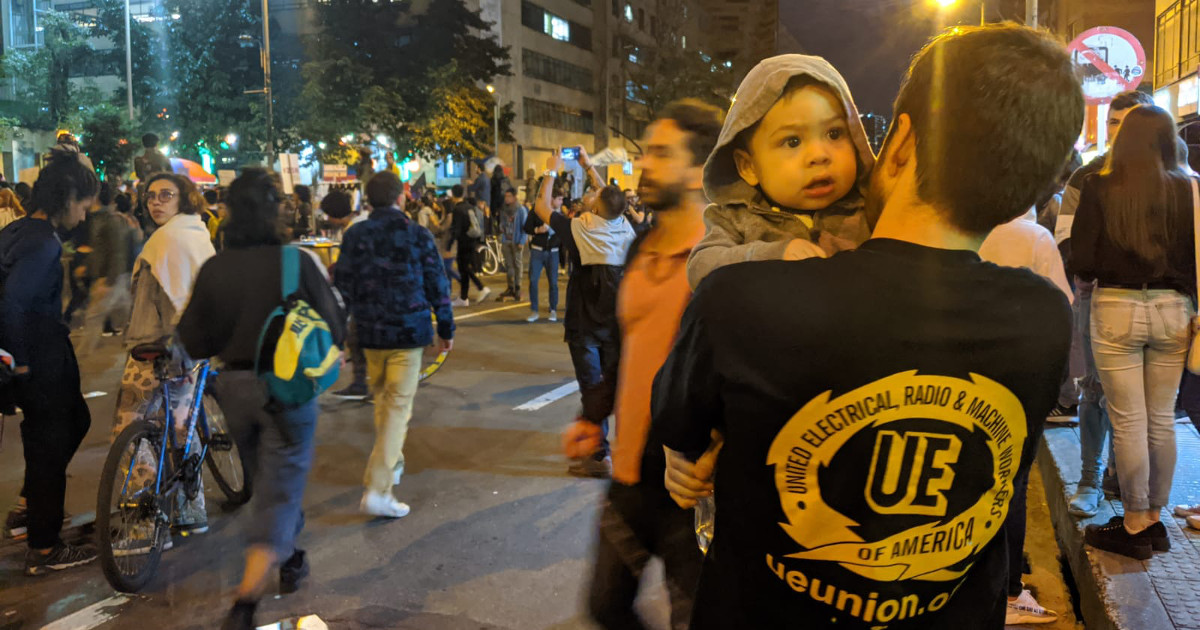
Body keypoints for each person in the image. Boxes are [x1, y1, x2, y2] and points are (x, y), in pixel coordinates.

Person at [652, 24, 1083, 629]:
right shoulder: (1044, 319)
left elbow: (681, 426)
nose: (822, 154)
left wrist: (702, 447)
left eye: (836, 134)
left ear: (898, 144)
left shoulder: (739, 302)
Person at [564, 99, 724, 630]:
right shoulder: (641, 247)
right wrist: (593, 415)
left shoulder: (723, 265)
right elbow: (621, 348)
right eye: (645, 153)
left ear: (699, 169)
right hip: (630, 477)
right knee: (605, 606)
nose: (644, 166)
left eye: (661, 152)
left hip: (690, 489)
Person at [177, 168, 346, 630]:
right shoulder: (296, 262)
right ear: (276, 210)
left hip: (232, 390)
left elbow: (192, 340)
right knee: (277, 489)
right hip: (287, 389)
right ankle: (246, 602)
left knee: (268, 483)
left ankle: (291, 558)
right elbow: (336, 324)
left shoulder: (215, 268)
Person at [1072, 104, 1196, 560]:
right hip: (1174, 309)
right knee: (1161, 419)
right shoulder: (1191, 189)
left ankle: (1134, 523)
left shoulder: (1099, 185)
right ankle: (1155, 520)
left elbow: (1082, 260)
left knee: (1128, 421)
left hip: (1117, 307)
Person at [686, 54, 875, 289]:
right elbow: (700, 267)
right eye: (793, 141)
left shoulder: (870, 210)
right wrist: (771, 255)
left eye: (834, 133)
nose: (819, 155)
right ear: (749, 167)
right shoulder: (735, 219)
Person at [0, 150, 99, 575]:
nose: (85, 213)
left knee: (73, 421)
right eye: (83, 203)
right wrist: (19, 361)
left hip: (39, 348)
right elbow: (12, 302)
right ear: (68, 196)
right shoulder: (41, 242)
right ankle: (44, 545)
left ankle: (29, 508)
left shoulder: (20, 230)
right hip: (38, 353)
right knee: (50, 440)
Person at [334, 171, 455, 518]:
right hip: (408, 331)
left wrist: (339, 338)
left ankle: (392, 464)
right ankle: (378, 487)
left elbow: (343, 287)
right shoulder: (416, 234)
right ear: (401, 198)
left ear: (369, 200)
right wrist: (446, 327)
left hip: (370, 333)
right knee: (397, 408)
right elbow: (437, 283)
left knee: (383, 402)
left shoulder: (355, 234)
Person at [1060, 90, 1155, 517]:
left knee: (1143, 398)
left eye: (1129, 121)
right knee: (1094, 391)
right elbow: (1066, 240)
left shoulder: (1168, 175)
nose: (1120, 131)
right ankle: (1089, 480)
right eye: (1114, 122)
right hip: (1095, 297)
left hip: (1154, 304)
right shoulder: (1087, 177)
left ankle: (1124, 477)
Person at [977, 207, 1072, 624]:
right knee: (1013, 483)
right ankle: (1011, 593)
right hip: (1020, 375)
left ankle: (974, 584)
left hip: (971, 374)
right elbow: (1062, 305)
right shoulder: (1035, 237)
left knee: (976, 478)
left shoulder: (969, 230)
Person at [114, 172, 216, 537]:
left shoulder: (165, 240)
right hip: (190, 351)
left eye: (165, 195)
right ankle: (192, 511)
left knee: (131, 427)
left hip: (156, 349)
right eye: (151, 196)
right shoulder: (197, 234)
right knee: (181, 429)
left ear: (183, 199)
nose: (155, 202)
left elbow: (162, 304)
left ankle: (143, 525)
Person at [531, 148, 636, 477]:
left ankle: (597, 454)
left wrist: (551, 171)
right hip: (616, 325)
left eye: (593, 193)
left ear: (596, 206)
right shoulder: (625, 228)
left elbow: (541, 208)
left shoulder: (580, 229)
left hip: (584, 325)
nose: (591, 193)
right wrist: (590, 167)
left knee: (592, 389)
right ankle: (622, 451)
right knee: (613, 389)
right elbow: (611, 199)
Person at [76, 182, 134, 357]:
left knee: (94, 317)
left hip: (111, 277)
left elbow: (117, 253)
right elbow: (101, 248)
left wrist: (108, 281)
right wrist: (87, 266)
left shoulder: (110, 220)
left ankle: (82, 355)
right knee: (125, 316)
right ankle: (136, 344)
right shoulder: (99, 217)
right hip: (115, 277)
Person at [524, 183, 563, 323]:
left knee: (553, 282)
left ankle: (553, 310)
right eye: (559, 199)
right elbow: (526, 227)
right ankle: (534, 310)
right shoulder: (537, 211)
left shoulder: (560, 215)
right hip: (537, 251)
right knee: (533, 280)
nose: (561, 202)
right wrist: (537, 230)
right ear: (551, 199)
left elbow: (564, 236)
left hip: (553, 252)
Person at [447, 186, 490, 306]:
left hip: (463, 242)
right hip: (472, 241)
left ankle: (481, 287)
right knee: (464, 269)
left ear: (454, 195)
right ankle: (463, 297)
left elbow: (457, 229)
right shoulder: (470, 207)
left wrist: (450, 244)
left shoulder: (458, 209)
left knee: (464, 268)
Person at [497, 189, 528, 302]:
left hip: (516, 241)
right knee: (509, 265)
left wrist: (522, 240)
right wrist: (501, 230)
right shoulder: (504, 209)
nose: (506, 198)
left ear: (514, 197)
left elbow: (525, 226)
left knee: (518, 265)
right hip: (506, 240)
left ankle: (518, 288)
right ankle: (510, 287)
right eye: (506, 196)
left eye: (509, 196)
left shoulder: (521, 210)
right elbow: (502, 223)